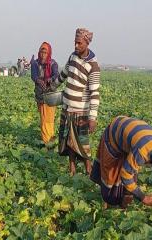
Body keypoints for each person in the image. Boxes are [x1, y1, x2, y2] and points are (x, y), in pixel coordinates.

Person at [90, 116, 152, 214]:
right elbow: (125, 175)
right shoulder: (143, 150)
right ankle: (107, 204)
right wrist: (144, 198)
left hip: (129, 137)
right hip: (113, 134)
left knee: (131, 181)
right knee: (110, 176)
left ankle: (122, 206)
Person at [52, 28, 101, 176]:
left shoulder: (93, 65)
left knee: (82, 143)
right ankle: (71, 168)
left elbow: (95, 93)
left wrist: (92, 118)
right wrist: (52, 86)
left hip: (81, 111)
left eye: (79, 43)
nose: (76, 46)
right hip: (67, 107)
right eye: (75, 42)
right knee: (68, 141)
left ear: (87, 43)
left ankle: (88, 169)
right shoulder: (72, 57)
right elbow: (63, 74)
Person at [31, 42, 59, 146]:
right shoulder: (35, 63)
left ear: (49, 53)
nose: (43, 54)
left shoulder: (52, 63)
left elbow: (56, 75)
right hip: (39, 94)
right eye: (42, 52)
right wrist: (38, 80)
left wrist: (49, 80)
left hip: (50, 94)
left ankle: (48, 140)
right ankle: (48, 139)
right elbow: (33, 76)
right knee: (43, 118)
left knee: (49, 118)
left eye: (45, 52)